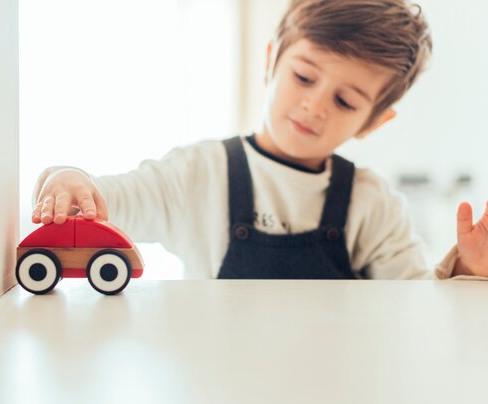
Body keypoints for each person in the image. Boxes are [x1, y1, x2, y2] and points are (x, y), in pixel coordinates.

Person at [31, 0, 488, 280]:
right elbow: (113, 199)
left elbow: (415, 308)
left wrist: (468, 269)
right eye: (304, 76)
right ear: (272, 61)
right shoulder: (199, 173)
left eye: (346, 101)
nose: (315, 106)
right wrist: (74, 181)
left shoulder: (374, 205)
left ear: (373, 122)